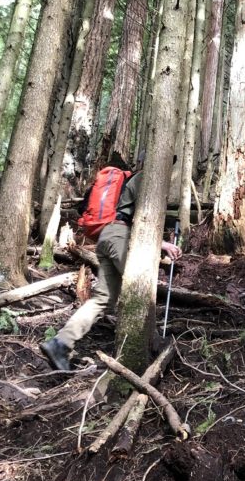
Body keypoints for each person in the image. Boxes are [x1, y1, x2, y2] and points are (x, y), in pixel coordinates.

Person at [40, 156, 182, 371]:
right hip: (120, 235)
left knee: (104, 299)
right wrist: (163, 244)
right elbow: (143, 218)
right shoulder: (146, 179)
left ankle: (60, 343)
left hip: (105, 237)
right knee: (140, 285)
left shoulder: (133, 180)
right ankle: (148, 345)